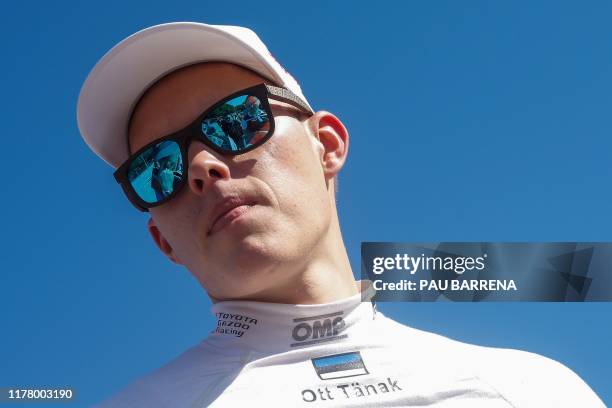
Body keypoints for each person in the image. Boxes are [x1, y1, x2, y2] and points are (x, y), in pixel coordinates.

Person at [76, 22, 605, 407]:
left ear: (326, 145)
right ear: (161, 241)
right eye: (156, 169)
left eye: (237, 122)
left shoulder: (532, 389)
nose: (202, 166)